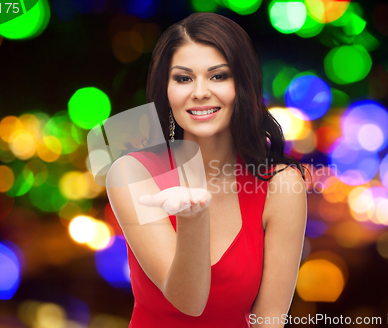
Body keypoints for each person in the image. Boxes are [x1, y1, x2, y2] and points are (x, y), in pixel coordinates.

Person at [106, 12, 307, 327]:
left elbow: (269, 321)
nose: (199, 92)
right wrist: (193, 219)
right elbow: (188, 301)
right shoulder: (132, 173)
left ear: (243, 85)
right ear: (167, 90)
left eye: (218, 76)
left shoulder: (280, 184)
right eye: (183, 78)